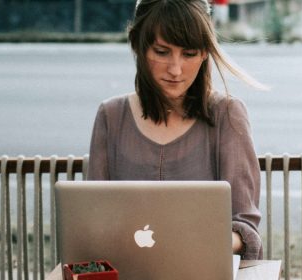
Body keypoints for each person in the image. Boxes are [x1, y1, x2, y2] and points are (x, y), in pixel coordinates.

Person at [87, 0, 267, 260]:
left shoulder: (227, 114)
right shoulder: (110, 116)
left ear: (205, 53)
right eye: (161, 52)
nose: (175, 69)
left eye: (189, 54)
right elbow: (93, 217)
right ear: (138, 45)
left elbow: (245, 227)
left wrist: (199, 243)